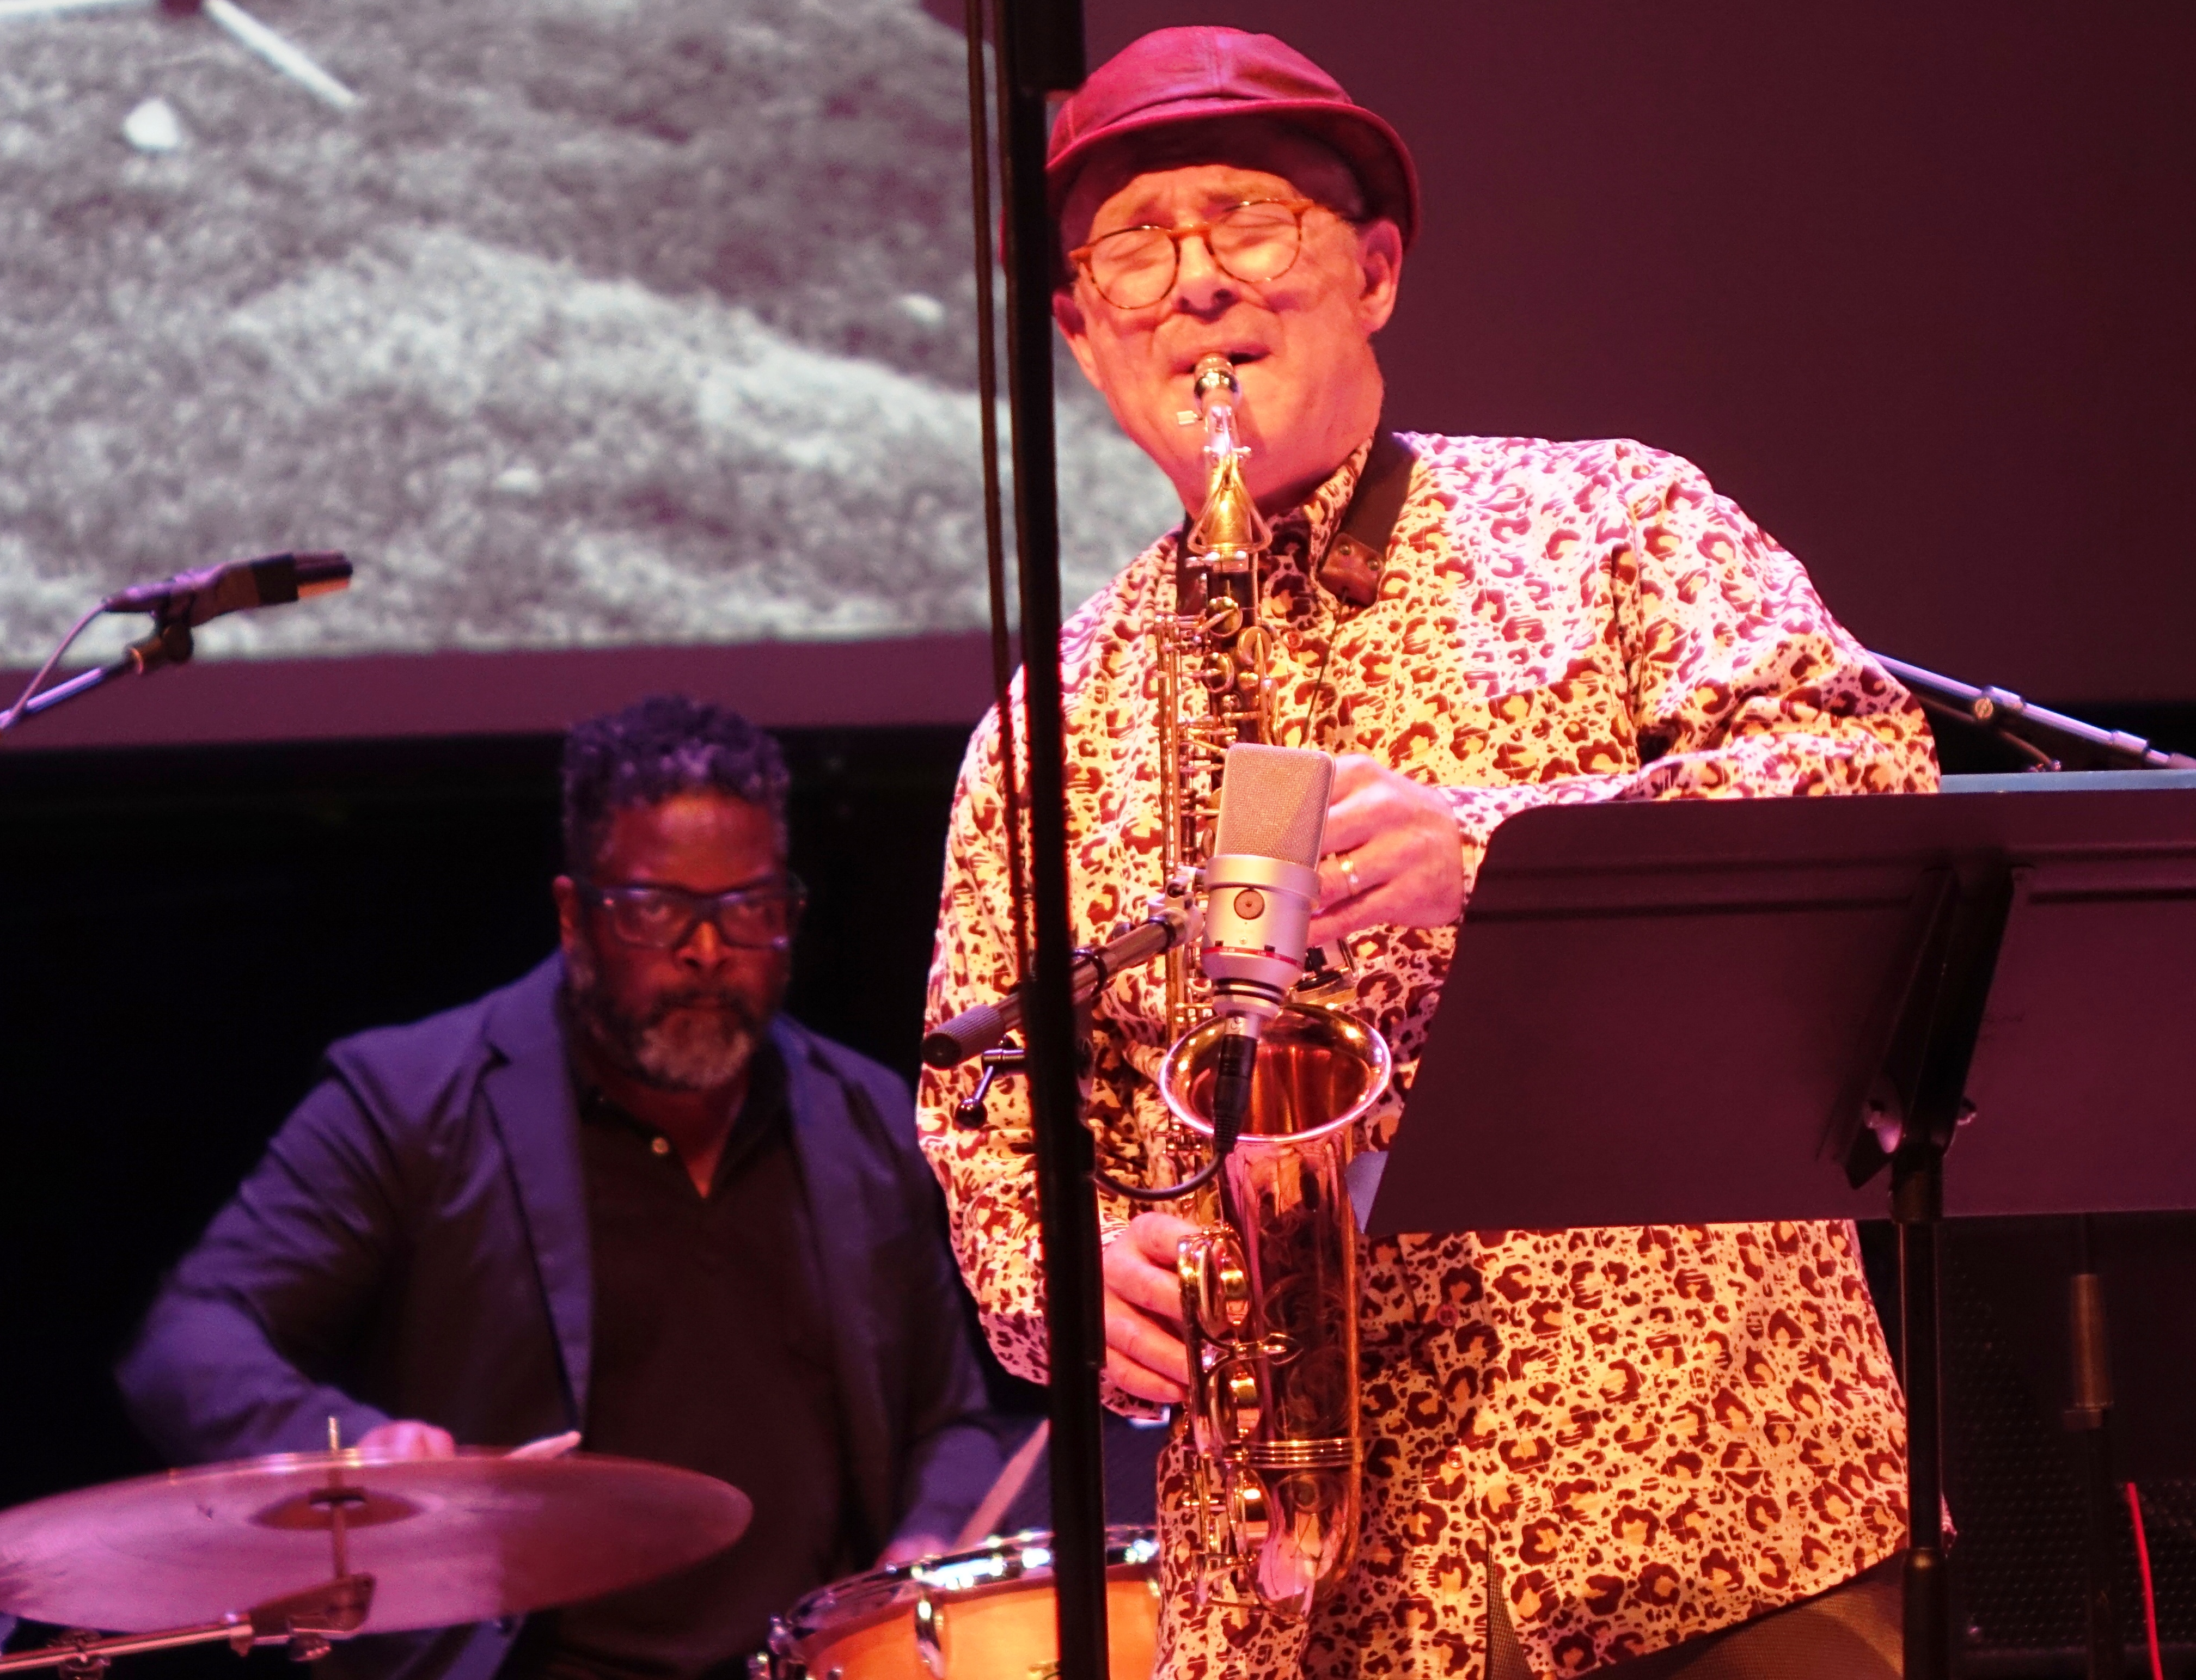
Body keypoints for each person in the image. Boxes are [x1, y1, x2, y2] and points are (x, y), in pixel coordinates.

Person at [916, 26, 1935, 1680]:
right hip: (1303, 1612)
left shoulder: (1617, 520)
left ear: (1375, 269)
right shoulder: (1046, 726)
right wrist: (1070, 1273)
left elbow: (1868, 774)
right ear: (1077, 328)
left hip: (1719, 1534)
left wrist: (1505, 854)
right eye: (1134, 248)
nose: (1195, 285)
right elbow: (981, 1102)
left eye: (1248, 222)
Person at [123, 695, 1002, 1680]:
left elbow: (950, 1419)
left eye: (749, 910)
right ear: (574, 913)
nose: (707, 952)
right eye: (658, 910)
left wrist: (925, 1547)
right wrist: (360, 1452)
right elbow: (190, 1339)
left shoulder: (864, 1117)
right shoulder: (410, 1101)